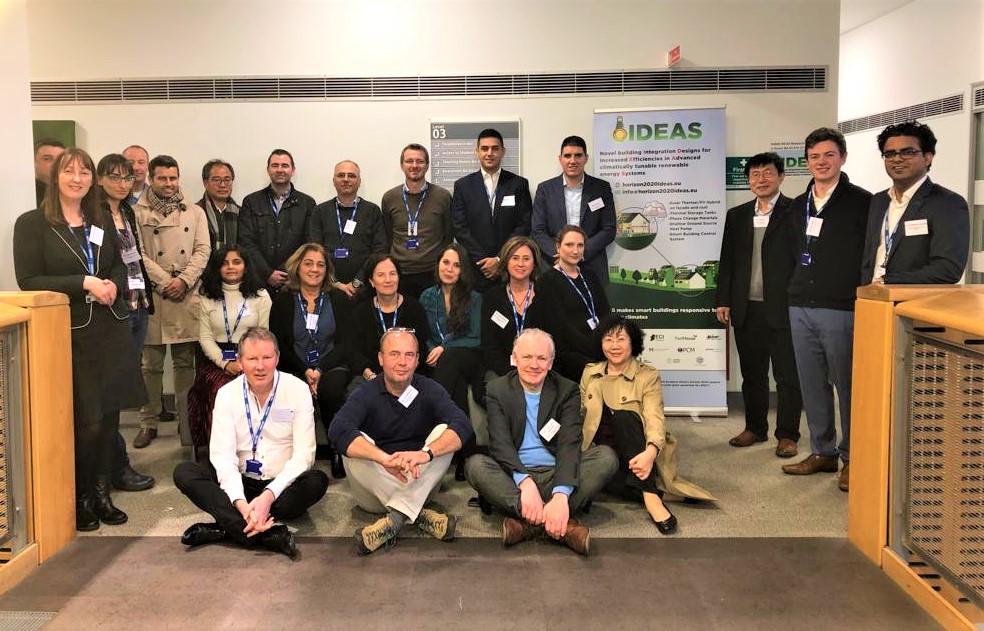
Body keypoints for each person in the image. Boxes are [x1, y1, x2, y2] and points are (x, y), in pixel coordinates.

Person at [14, 148, 147, 531]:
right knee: (86, 420)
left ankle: (102, 493)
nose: (77, 178)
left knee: (109, 419)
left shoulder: (100, 218)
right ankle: (80, 496)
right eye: (69, 171)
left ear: (92, 179)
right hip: (69, 332)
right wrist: (84, 282)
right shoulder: (32, 223)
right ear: (55, 177)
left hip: (110, 326)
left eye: (84, 171)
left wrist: (111, 286)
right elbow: (29, 280)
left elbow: (124, 266)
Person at [173, 327, 329, 559]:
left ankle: (225, 528)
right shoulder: (227, 394)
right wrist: (240, 503)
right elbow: (222, 457)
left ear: (277, 357)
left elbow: (304, 455)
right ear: (240, 361)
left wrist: (268, 496)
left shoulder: (297, 390)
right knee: (184, 472)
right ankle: (267, 535)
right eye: (252, 359)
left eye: (267, 358)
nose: (260, 366)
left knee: (317, 481)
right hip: (241, 482)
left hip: (281, 486)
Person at [465, 329, 617, 555]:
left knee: (606, 458)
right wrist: (525, 483)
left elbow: (569, 443)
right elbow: (500, 443)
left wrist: (561, 493)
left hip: (556, 472)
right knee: (475, 466)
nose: (534, 364)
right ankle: (561, 524)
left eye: (541, 358)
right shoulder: (497, 389)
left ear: (551, 362)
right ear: (514, 359)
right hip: (514, 475)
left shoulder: (567, 390)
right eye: (527, 357)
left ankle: (529, 524)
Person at [781, 128, 872, 493]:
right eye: (815, 156)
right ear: (807, 162)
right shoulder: (798, 204)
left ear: (843, 158)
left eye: (829, 155)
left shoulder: (862, 202)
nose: (822, 162)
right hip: (800, 304)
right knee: (811, 382)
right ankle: (823, 451)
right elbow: (788, 252)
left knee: (847, 384)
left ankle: (853, 457)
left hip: (841, 306)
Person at [328, 329, 473, 555]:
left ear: (417, 360)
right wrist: (383, 459)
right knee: (355, 444)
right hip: (374, 490)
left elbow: (463, 425)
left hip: (418, 479)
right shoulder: (366, 391)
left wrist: (425, 454)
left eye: (409, 355)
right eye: (394, 354)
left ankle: (395, 520)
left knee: (445, 432)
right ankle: (417, 514)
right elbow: (337, 430)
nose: (402, 362)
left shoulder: (428, 388)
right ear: (380, 359)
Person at [581, 316, 715, 535]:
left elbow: (655, 418)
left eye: (621, 339)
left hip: (639, 453)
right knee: (603, 469)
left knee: (624, 417)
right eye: (608, 340)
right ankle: (646, 488)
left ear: (633, 342)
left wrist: (651, 452)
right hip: (604, 454)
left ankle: (651, 497)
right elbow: (580, 415)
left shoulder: (647, 375)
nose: (614, 346)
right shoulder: (590, 372)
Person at [715, 152, 802, 457]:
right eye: (754, 175)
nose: (760, 180)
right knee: (753, 373)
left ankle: (788, 434)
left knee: (787, 374)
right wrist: (723, 299)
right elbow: (727, 261)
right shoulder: (737, 215)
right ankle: (755, 428)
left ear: (781, 176)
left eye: (767, 173)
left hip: (784, 307)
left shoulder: (796, 212)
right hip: (746, 307)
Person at [132, 154, 212, 449]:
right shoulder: (136, 213)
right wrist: (165, 282)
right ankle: (148, 422)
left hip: (186, 292)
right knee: (149, 364)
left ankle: (187, 422)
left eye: (173, 178)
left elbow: (203, 250)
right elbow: (137, 252)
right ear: (151, 179)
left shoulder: (194, 212)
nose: (168, 184)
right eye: (162, 178)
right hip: (152, 294)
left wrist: (185, 280)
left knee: (183, 363)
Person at [95, 153, 156, 492]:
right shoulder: (94, 214)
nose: (122, 183)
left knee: (121, 386)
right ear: (100, 179)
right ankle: (116, 465)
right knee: (113, 391)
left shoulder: (128, 211)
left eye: (127, 177)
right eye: (114, 176)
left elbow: (135, 259)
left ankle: (114, 463)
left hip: (136, 306)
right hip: (113, 309)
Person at [269, 243, 351, 478]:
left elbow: (345, 343)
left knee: (332, 389)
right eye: (309, 263)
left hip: (331, 365)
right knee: (293, 391)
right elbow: (279, 345)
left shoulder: (338, 298)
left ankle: (337, 449)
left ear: (327, 270)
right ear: (298, 267)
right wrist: (305, 370)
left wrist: (319, 370)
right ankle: (296, 455)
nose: (314, 269)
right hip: (294, 365)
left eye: (320, 265)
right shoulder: (284, 300)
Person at [861, 121, 969, 286]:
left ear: (928, 157)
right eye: (889, 154)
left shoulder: (948, 203)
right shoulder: (878, 201)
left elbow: (948, 269)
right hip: (871, 301)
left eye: (908, 152)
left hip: (914, 306)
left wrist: (886, 282)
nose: (897, 159)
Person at [188, 245, 271, 456]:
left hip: (252, 357)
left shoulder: (261, 296)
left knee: (252, 390)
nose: (231, 267)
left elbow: (263, 337)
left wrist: (246, 362)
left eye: (236, 262)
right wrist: (225, 363)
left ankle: (250, 451)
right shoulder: (207, 295)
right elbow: (205, 338)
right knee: (219, 390)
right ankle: (220, 454)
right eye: (225, 263)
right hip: (216, 358)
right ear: (217, 268)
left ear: (245, 266)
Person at [419, 243, 484, 479]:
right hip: (440, 361)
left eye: (456, 265)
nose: (449, 269)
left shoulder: (474, 298)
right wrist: (431, 350)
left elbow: (475, 338)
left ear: (463, 270)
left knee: (452, 361)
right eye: (446, 262)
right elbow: (424, 333)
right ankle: (466, 451)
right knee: (455, 389)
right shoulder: (427, 296)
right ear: (438, 265)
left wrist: (443, 349)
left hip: (468, 356)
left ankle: (427, 434)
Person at [450, 128, 532, 291]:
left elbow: (524, 224)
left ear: (503, 151)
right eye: (484, 148)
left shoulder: (518, 184)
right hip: (475, 268)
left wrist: (500, 258)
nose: (490, 153)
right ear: (477, 152)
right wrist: (483, 260)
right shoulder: (463, 185)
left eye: (495, 148)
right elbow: (460, 228)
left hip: (509, 267)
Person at [532, 135, 615, 284]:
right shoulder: (545, 189)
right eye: (567, 156)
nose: (572, 161)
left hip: (592, 265)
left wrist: (581, 251)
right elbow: (538, 230)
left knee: (594, 307)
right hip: (554, 265)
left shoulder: (601, 188)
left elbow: (609, 229)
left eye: (578, 155)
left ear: (586, 158)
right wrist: (561, 253)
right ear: (560, 159)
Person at [536, 225, 610, 382]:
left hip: (599, 348)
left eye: (580, 245)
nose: (575, 251)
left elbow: (605, 314)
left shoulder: (590, 276)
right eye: (569, 245)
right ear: (558, 247)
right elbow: (558, 330)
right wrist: (594, 349)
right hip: (569, 356)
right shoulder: (546, 282)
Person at [380, 143, 453, 298]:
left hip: (432, 273)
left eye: (420, 161)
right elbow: (387, 237)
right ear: (402, 165)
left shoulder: (443, 197)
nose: (414, 165)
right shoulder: (389, 198)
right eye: (409, 161)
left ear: (427, 166)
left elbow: (448, 236)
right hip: (400, 273)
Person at [239, 149, 317, 294]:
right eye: (275, 165)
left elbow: (308, 243)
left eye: (285, 165)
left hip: (292, 282)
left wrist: (284, 272)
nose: (280, 170)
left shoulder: (307, 203)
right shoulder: (251, 202)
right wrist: (267, 273)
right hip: (258, 282)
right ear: (268, 170)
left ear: (293, 170)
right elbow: (246, 241)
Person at [308, 160, 387, 300]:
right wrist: (335, 283)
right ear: (333, 180)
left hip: (363, 290)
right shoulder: (320, 211)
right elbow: (314, 250)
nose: (345, 179)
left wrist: (357, 282)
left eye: (351, 175)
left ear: (359, 181)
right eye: (341, 175)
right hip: (327, 289)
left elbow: (379, 251)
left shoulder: (373, 211)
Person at [347, 254, 429, 387]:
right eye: (381, 275)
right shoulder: (361, 312)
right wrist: (371, 376)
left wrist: (403, 375)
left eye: (392, 274)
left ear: (399, 277)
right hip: (371, 377)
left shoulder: (414, 308)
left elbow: (422, 348)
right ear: (372, 281)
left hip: (409, 375)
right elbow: (354, 352)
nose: (388, 280)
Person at [481, 236, 546, 378]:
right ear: (506, 262)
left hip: (539, 369)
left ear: (534, 263)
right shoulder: (492, 298)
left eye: (526, 259)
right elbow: (489, 346)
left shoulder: (546, 296)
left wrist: (534, 369)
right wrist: (511, 375)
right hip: (502, 372)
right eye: (515, 258)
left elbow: (553, 341)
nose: (520, 264)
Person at [197, 159, 240, 249]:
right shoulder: (196, 211)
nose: (222, 185)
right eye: (217, 180)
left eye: (227, 180)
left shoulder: (241, 212)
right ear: (205, 183)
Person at [33, 138, 65, 205]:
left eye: (60, 159)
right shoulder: (26, 192)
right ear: (34, 162)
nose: (56, 163)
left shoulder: (72, 194)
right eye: (47, 159)